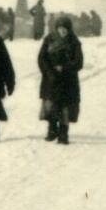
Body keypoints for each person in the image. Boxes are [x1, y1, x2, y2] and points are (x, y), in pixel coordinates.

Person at [37, 16, 84, 144]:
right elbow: (42, 58)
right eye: (60, 28)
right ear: (57, 28)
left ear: (69, 29)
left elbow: (79, 62)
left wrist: (64, 68)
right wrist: (49, 71)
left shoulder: (74, 42)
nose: (63, 31)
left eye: (65, 29)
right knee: (51, 105)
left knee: (65, 108)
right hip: (51, 79)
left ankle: (63, 134)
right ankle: (52, 130)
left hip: (68, 81)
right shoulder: (49, 39)